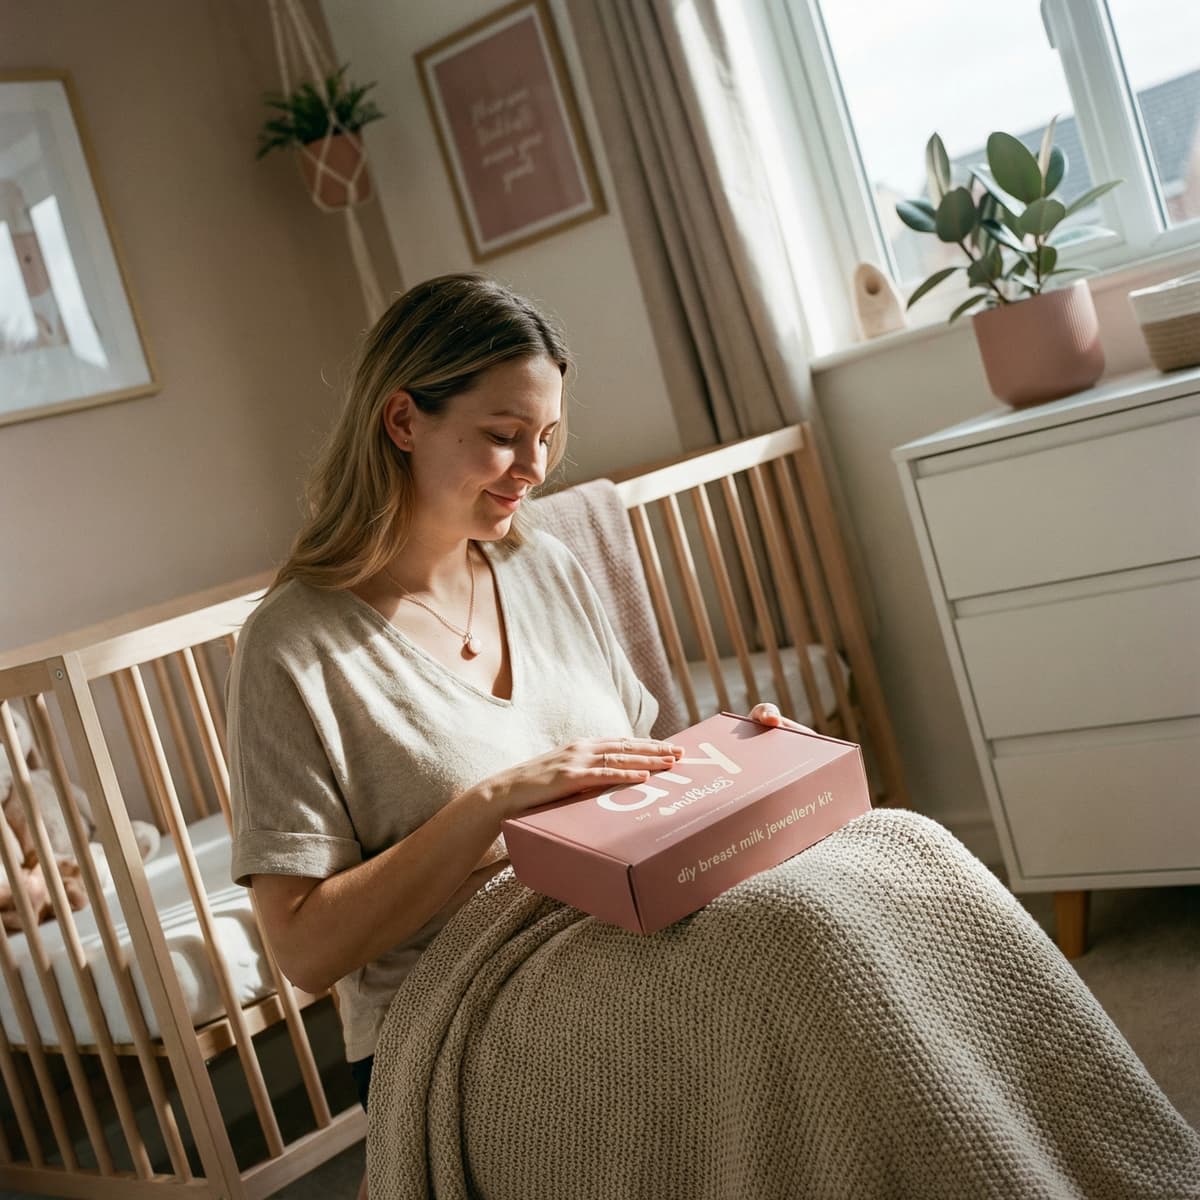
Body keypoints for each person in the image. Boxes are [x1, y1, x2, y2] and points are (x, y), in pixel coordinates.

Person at [229, 274, 1200, 1200]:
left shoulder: (544, 564)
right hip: (461, 995)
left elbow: (630, 774)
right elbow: (307, 950)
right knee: (792, 942)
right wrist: (495, 803)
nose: (534, 468)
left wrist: (737, 759)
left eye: (548, 437)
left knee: (910, 849)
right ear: (403, 420)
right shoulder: (294, 644)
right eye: (503, 436)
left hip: (614, 902)